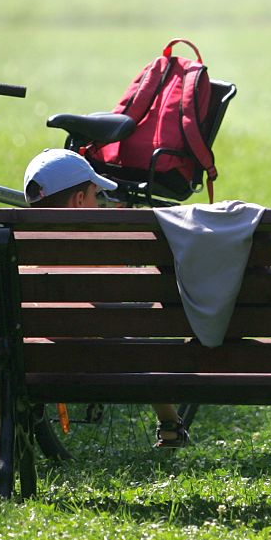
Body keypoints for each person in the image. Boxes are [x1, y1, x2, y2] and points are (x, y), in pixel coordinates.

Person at [23, 149, 190, 450]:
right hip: (99, 357)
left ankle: (1, 440)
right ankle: (169, 423)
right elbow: (132, 306)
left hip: (35, 358)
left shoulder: (21, 248)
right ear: (78, 201)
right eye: (95, 197)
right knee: (134, 341)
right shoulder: (96, 254)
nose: (99, 205)